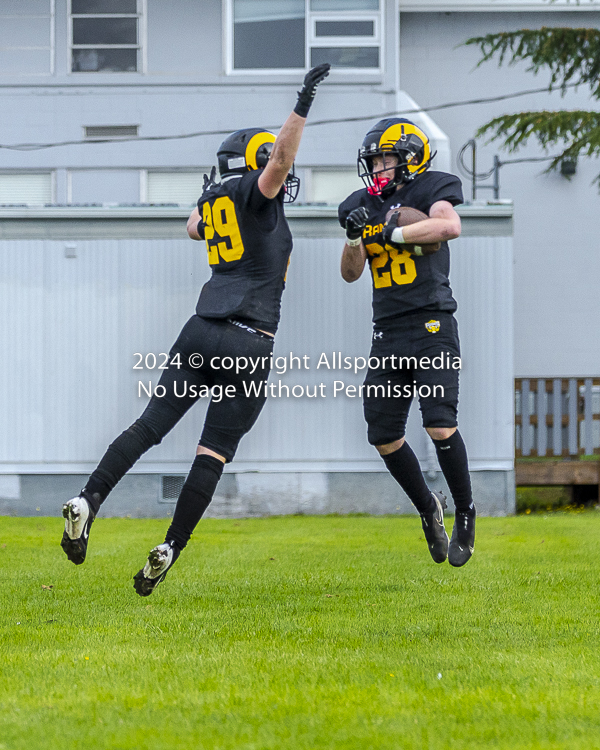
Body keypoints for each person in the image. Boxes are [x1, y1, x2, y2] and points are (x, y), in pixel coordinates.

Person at [61, 63, 331, 595]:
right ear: (254, 165)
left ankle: (88, 500)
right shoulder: (260, 190)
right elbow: (279, 158)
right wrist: (302, 103)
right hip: (249, 340)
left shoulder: (214, 201)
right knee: (211, 453)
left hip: (200, 329)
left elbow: (192, 227)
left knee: (147, 427)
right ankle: (170, 546)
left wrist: (217, 191)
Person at [338, 118, 476, 567]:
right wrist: (357, 237)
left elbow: (448, 226)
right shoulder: (361, 203)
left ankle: (466, 510)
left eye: (386, 158)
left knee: (438, 424)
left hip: (431, 324)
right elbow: (350, 271)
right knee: (382, 434)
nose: (378, 167)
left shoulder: (431, 188)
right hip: (388, 330)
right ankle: (427, 506)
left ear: (411, 159)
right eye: (374, 159)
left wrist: (393, 232)